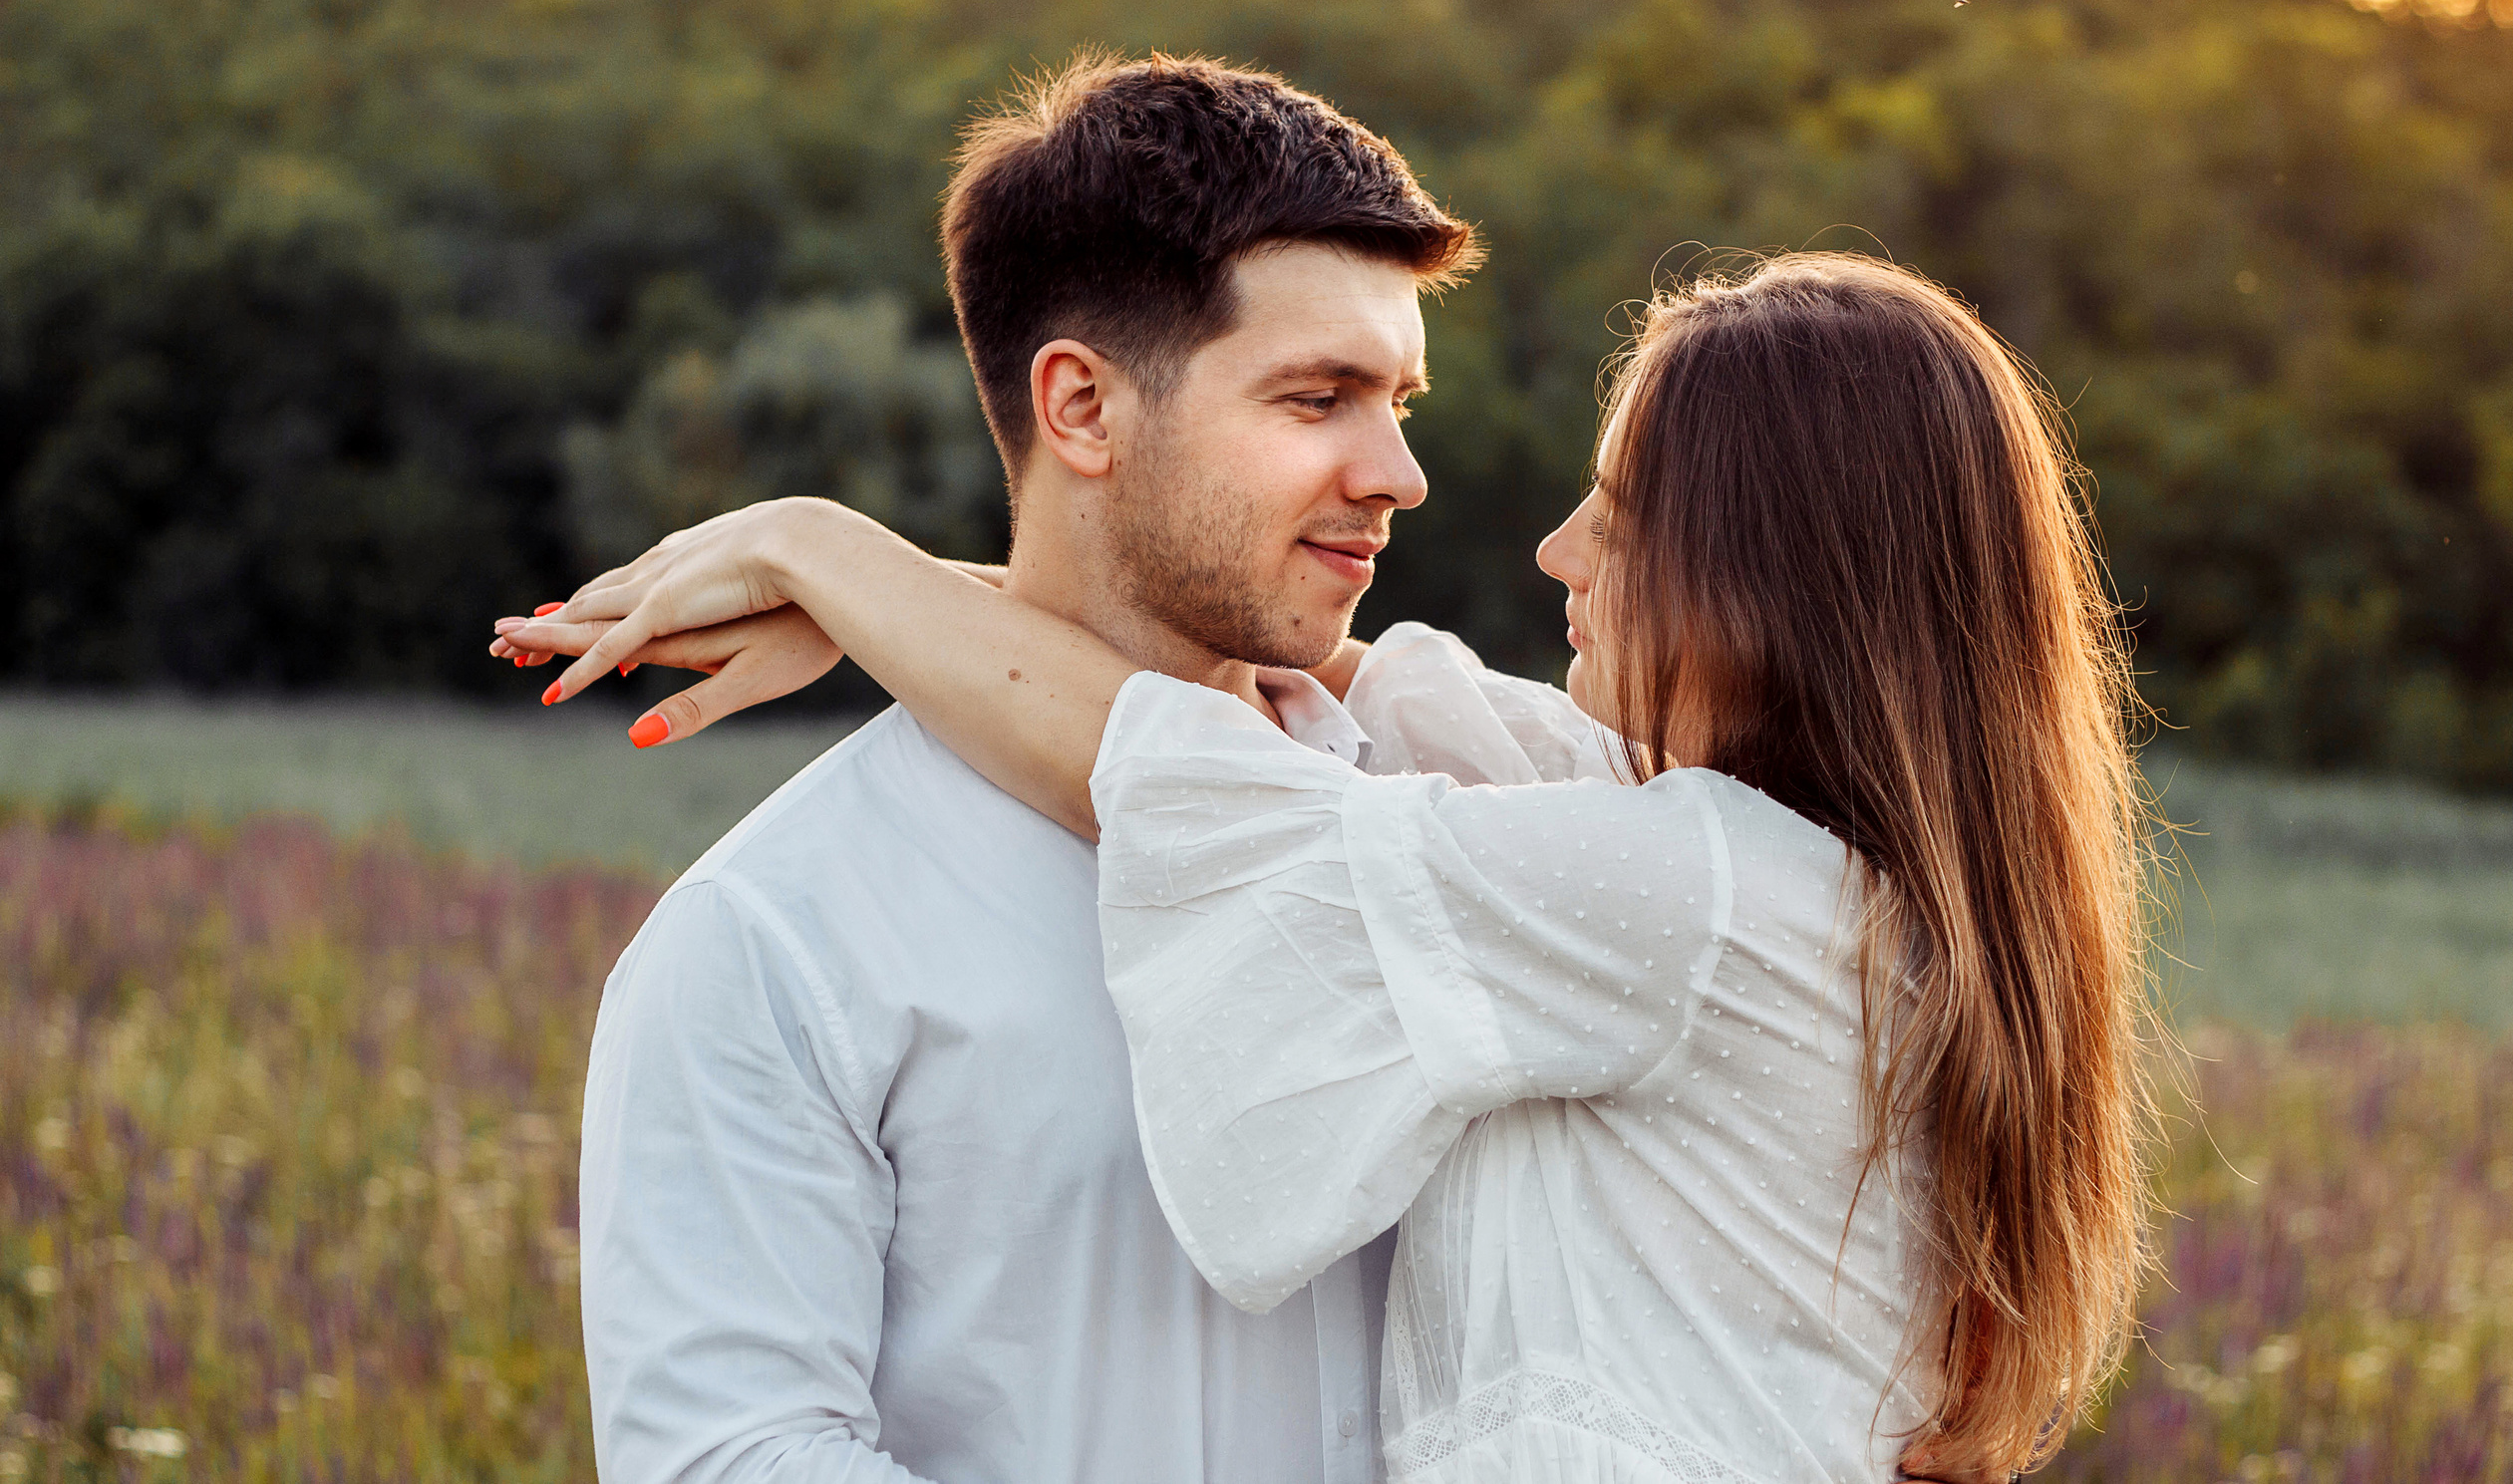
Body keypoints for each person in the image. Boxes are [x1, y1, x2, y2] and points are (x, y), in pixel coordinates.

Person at [504, 253, 2160, 1482]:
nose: (1550, 548)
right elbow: (1315, 678)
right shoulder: (1746, 859)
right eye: (1317, 399)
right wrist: (925, 600)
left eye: (1624, 511)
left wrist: (819, 541)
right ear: (1082, 404)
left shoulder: (1688, 888)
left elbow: (1180, 783)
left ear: (1779, 578)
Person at [535, 52, 1480, 1483]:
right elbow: (730, 1460)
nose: (1397, 472)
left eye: (1401, 399)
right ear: (1084, 408)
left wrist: (845, 566)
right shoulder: (775, 937)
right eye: (1318, 399)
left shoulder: (1455, 806)